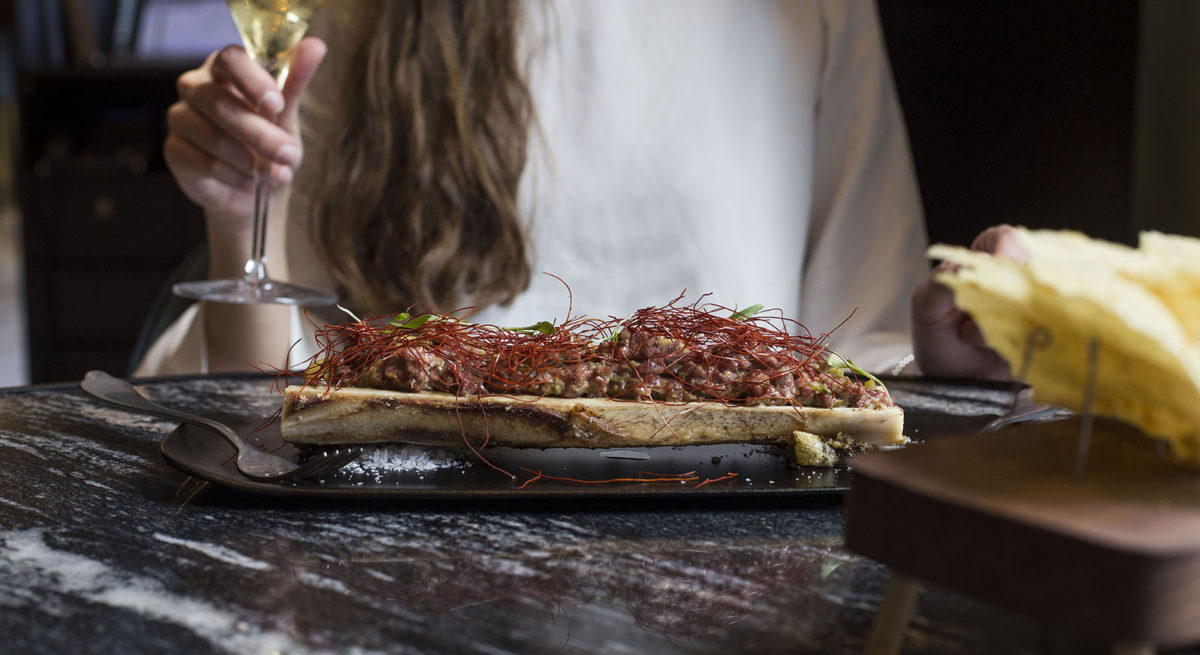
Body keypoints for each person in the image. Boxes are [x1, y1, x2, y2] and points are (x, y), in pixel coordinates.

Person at [136, 0, 999, 380]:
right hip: (414, 554)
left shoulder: (804, 9)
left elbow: (866, 344)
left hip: (727, 559)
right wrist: (237, 207)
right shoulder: (360, 16)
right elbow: (265, 394)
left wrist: (953, 360)